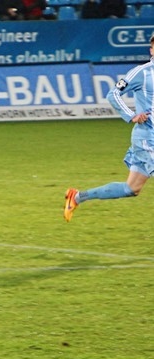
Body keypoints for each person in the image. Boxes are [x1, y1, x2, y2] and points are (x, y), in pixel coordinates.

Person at [65, 34, 154, 222]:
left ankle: (77, 197)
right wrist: (131, 116)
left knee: (131, 189)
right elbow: (113, 94)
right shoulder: (142, 73)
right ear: (151, 50)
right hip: (147, 138)